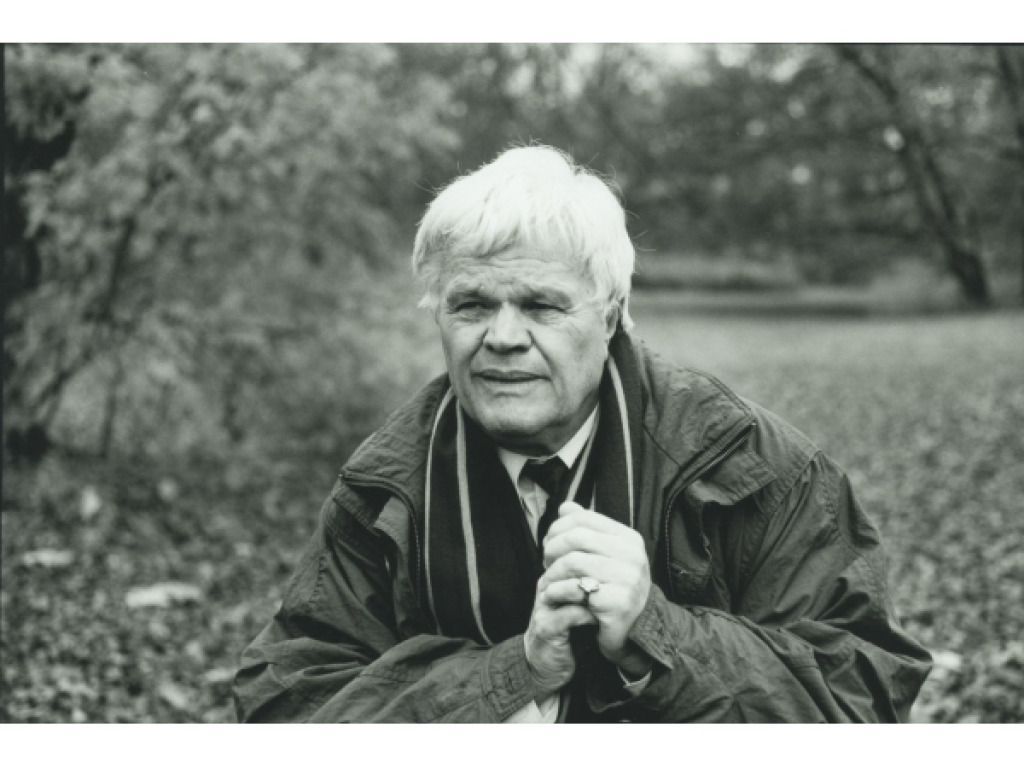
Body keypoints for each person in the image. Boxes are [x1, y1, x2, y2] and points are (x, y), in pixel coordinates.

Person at [233, 145, 932, 723]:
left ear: (613, 314)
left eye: (541, 305)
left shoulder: (753, 468)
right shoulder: (385, 489)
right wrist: (517, 672)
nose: (503, 337)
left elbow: (860, 698)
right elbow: (286, 707)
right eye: (471, 304)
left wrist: (657, 632)